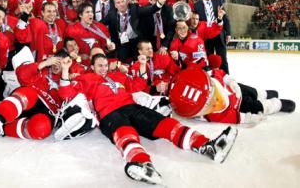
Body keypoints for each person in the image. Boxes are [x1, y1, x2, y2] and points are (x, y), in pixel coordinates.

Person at [58, 53, 237, 185]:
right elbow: (66, 93)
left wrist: (142, 66)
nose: (103, 68)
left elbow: (138, 85)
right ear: (93, 67)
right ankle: (141, 162)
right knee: (126, 132)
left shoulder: (118, 76)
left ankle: (207, 145)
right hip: (109, 113)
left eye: (105, 65)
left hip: (131, 107)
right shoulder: (87, 79)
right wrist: (65, 70)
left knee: (165, 123)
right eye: (99, 66)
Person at [169, 56, 295, 124]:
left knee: (253, 91)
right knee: (258, 106)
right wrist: (249, 118)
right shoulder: (211, 116)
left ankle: (264, 93)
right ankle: (277, 104)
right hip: (238, 105)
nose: (216, 102)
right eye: (208, 106)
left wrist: (231, 81)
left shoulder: (211, 75)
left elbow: (221, 74)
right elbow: (232, 117)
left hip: (234, 90)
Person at [102, 0, 166, 63]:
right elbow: (101, 24)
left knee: (139, 61)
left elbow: (149, 10)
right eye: (118, 2)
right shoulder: (112, 14)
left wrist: (159, 3)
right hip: (122, 42)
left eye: (123, 1)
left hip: (136, 40)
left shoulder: (134, 9)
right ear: (115, 5)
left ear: (127, 2)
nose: (121, 4)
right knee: (121, 61)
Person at [194, 0, 231, 73]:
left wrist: (228, 33)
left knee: (223, 58)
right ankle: (211, 78)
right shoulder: (197, 5)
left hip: (219, 34)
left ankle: (226, 77)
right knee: (208, 58)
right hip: (206, 36)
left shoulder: (218, 2)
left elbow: (225, 18)